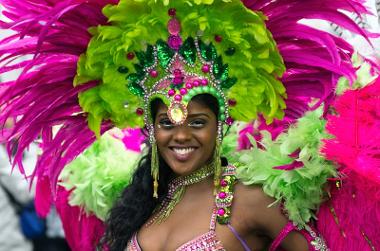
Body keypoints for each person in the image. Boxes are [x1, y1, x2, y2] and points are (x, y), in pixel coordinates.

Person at [0, 0, 378, 251]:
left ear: (220, 124)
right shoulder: (142, 205)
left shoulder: (250, 198)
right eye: (167, 122)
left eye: (197, 122)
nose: (180, 135)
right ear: (151, 130)